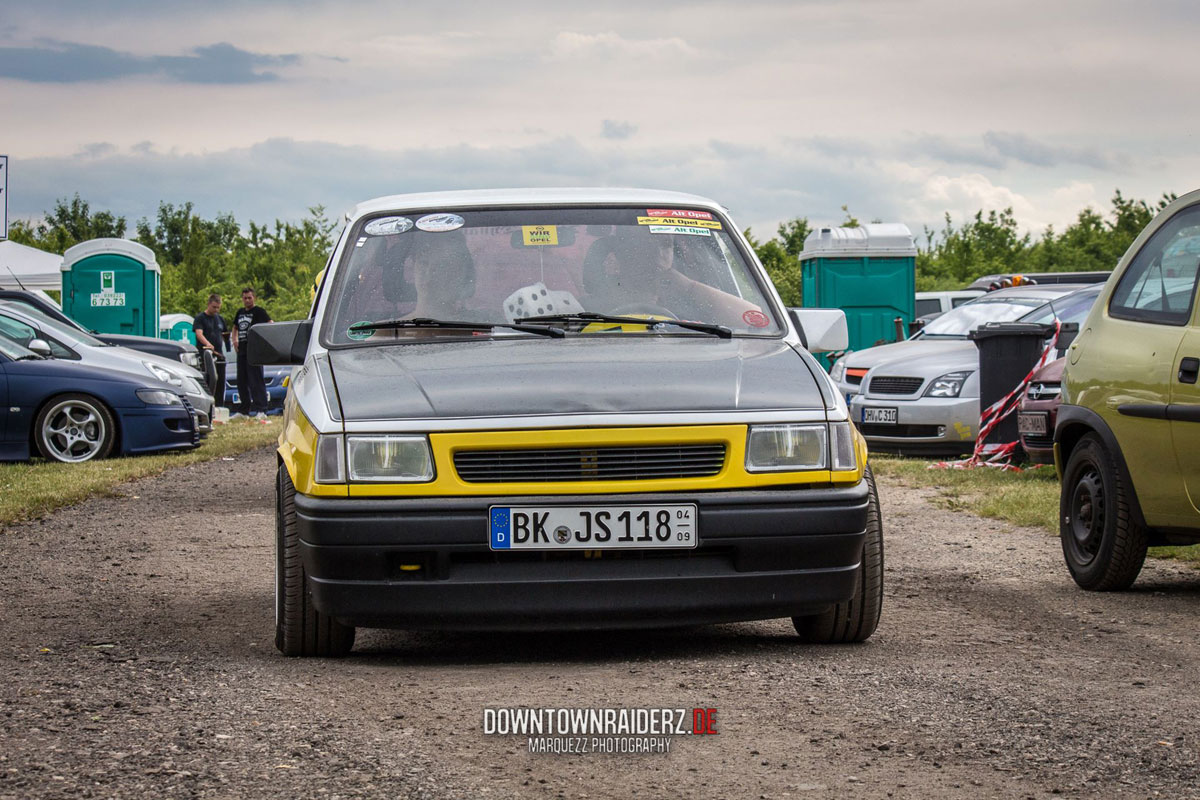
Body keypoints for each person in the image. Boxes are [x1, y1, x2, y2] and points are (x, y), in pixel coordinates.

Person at [230, 287, 272, 419]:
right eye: (245, 298)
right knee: (242, 381)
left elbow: (270, 324)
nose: (247, 300)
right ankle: (244, 410)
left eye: (249, 297)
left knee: (256, 380)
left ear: (254, 298)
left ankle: (261, 410)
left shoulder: (259, 312)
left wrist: (263, 342)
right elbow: (235, 327)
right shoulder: (240, 312)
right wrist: (234, 340)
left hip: (254, 351)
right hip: (241, 351)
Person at [192, 294, 229, 408]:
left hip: (219, 355)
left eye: (218, 307)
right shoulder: (200, 318)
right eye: (214, 307)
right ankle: (208, 406)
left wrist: (228, 347)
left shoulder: (220, 319)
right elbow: (199, 333)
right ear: (208, 304)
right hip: (206, 355)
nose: (216, 310)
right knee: (209, 381)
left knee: (220, 381)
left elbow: (225, 334)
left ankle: (219, 406)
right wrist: (208, 344)